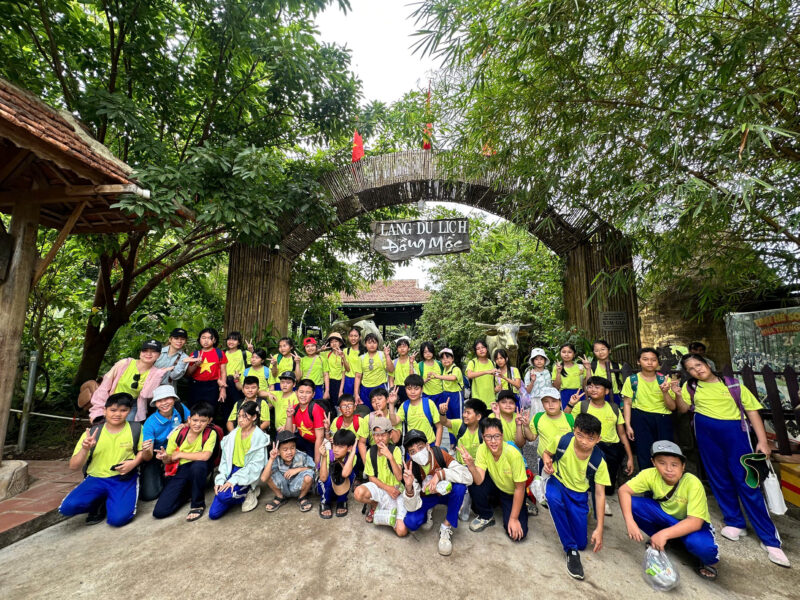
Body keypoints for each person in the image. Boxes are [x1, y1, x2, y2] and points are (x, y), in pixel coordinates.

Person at [675, 354, 790, 568]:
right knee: (719, 480)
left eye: (699, 364)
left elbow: (752, 413)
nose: (696, 370)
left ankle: (770, 540)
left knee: (747, 482)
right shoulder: (691, 388)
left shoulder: (733, 385)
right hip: (707, 437)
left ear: (708, 364)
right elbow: (682, 409)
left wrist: (762, 441)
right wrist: (676, 394)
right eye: (690, 368)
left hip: (736, 436)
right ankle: (735, 521)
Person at [618, 441, 720, 580]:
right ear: (653, 462)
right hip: (665, 516)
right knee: (632, 505)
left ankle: (710, 562)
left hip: (692, 524)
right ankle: (669, 539)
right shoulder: (650, 474)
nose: (668, 469)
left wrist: (664, 534)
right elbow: (623, 491)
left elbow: (695, 522)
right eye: (662, 463)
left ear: (683, 466)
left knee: (702, 547)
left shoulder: (693, 483)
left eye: (674, 464)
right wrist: (630, 522)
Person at [60, 393, 149, 527]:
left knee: (118, 520)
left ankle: (110, 501)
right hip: (96, 478)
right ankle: (99, 501)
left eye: (123, 410)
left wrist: (134, 463)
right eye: (113, 410)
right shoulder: (92, 433)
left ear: (129, 411)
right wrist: (85, 449)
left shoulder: (136, 429)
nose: (117, 414)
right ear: (104, 410)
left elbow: (142, 450)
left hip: (123, 479)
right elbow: (73, 466)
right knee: (67, 508)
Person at [542, 413, 609, 580]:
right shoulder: (562, 441)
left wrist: (599, 528)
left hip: (579, 494)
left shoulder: (599, 461)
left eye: (590, 438)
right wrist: (547, 462)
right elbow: (546, 453)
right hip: (557, 482)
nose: (584, 441)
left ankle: (579, 519)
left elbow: (600, 494)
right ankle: (570, 550)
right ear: (574, 431)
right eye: (580, 435)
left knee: (582, 544)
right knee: (554, 500)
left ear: (598, 439)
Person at [565, 376, 634, 515]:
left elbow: (621, 433)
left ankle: (600, 498)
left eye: (597, 387)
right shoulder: (582, 406)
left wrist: (630, 457)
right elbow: (565, 419)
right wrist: (571, 404)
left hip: (613, 448)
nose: (593, 389)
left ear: (606, 391)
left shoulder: (614, 408)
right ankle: (594, 502)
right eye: (590, 386)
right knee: (590, 478)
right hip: (592, 446)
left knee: (608, 486)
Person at [401, 429, 473, 556]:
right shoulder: (411, 468)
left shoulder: (440, 454)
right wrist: (409, 487)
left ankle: (446, 526)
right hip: (427, 498)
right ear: (410, 455)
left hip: (445, 493)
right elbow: (411, 506)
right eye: (412, 452)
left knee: (460, 488)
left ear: (428, 446)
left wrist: (441, 474)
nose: (418, 453)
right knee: (411, 522)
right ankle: (428, 511)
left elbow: (468, 477)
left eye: (420, 448)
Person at [460, 418, 528, 541]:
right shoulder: (482, 449)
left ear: (502, 436)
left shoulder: (513, 454)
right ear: (483, 437)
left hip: (512, 492)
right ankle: (486, 515)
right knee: (472, 479)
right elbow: (479, 481)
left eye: (497, 436)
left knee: (517, 535)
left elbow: (520, 488)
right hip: (496, 485)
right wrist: (471, 465)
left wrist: (513, 519)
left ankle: (523, 504)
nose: (493, 441)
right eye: (488, 437)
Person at [152, 402, 218, 521]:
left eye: (203, 421)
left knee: (198, 466)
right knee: (160, 511)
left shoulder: (210, 433)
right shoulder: (178, 434)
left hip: (201, 467)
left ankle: (197, 504)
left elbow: (205, 456)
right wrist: (165, 457)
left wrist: (180, 454)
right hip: (182, 469)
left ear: (209, 421)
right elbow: (170, 460)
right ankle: (188, 492)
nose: (198, 424)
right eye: (195, 420)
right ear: (189, 419)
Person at [209, 400, 269, 519]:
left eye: (244, 416)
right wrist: (221, 480)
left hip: (246, 473)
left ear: (254, 417)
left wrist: (234, 480)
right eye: (239, 416)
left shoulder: (259, 437)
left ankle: (248, 491)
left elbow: (255, 467)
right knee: (214, 514)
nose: (240, 420)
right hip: (231, 470)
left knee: (223, 496)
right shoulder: (232, 435)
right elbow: (225, 461)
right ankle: (236, 493)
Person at [621, 348, 677, 471]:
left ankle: (666, 478)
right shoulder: (632, 380)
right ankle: (647, 480)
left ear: (658, 362)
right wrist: (628, 425)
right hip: (640, 418)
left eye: (653, 360)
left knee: (665, 451)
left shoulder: (665, 380)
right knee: (644, 452)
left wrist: (665, 392)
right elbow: (627, 403)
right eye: (645, 359)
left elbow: (672, 407)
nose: (650, 362)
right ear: (638, 362)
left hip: (663, 418)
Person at [88, 339, 170, 423]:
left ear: (159, 355)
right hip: (111, 401)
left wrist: (158, 375)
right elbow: (104, 387)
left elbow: (146, 394)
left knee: (125, 429)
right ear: (140, 353)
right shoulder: (124, 363)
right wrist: (97, 411)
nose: (148, 354)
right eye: (145, 350)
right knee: (105, 427)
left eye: (153, 351)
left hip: (131, 406)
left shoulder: (155, 373)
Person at [353, 417, 407, 535]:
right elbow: (371, 477)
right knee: (358, 492)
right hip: (382, 489)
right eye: (376, 435)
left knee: (401, 531)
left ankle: (387, 511)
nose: (380, 438)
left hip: (396, 492)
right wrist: (387, 488)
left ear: (390, 435)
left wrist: (390, 457)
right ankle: (375, 505)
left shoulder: (395, 451)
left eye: (383, 434)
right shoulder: (371, 452)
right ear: (373, 436)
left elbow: (399, 477)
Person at [140, 385, 190, 501]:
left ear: (174, 399)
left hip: (178, 451)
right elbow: (147, 457)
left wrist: (185, 425)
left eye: (167, 398)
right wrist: (146, 450)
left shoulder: (180, 408)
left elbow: (193, 421)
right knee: (150, 495)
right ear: (155, 404)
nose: (164, 403)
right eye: (159, 400)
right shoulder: (150, 423)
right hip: (157, 456)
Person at [518, 386, 574, 474]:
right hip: (545, 461)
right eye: (546, 401)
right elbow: (531, 437)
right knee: (544, 481)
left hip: (566, 460)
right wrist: (526, 426)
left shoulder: (569, 418)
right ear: (542, 404)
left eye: (554, 401)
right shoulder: (538, 417)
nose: (550, 405)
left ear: (560, 402)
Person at [262, 430, 316, 513]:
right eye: (285, 449)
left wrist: (298, 469)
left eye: (292, 448)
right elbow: (263, 478)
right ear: (278, 451)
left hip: (297, 487)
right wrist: (271, 459)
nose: (289, 452)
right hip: (283, 488)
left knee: (309, 476)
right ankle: (280, 497)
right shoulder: (275, 459)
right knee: (268, 472)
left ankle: (302, 497)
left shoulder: (302, 456)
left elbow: (314, 468)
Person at [184, 328, 227, 418]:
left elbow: (223, 372)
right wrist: (196, 364)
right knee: (193, 410)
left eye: (209, 338)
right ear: (199, 339)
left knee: (211, 411)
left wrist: (223, 389)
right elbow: (188, 374)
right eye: (203, 337)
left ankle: (210, 427)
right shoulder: (195, 354)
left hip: (213, 386)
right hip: (195, 386)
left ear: (214, 340)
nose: (206, 341)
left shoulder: (219, 353)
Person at [389, 374, 442, 446]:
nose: (412, 392)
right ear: (405, 390)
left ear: (422, 389)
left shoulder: (429, 403)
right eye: (409, 389)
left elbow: (439, 426)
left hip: (429, 445)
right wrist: (391, 404)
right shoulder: (404, 405)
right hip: (412, 447)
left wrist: (437, 446)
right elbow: (394, 422)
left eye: (416, 389)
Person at [317, 429, 359, 518]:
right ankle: (325, 502)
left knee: (351, 474)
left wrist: (352, 452)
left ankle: (341, 500)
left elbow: (345, 474)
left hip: (340, 488)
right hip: (326, 487)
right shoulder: (328, 454)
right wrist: (323, 457)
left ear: (349, 448)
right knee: (329, 477)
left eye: (340, 447)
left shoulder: (352, 456)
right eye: (335, 445)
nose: (335, 449)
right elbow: (323, 478)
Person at [330, 394, 369, 479]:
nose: (347, 408)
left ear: (355, 407)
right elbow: (333, 441)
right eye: (344, 406)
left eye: (350, 405)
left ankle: (355, 475)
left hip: (356, 447)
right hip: (341, 447)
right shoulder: (336, 421)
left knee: (355, 455)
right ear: (339, 409)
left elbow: (362, 444)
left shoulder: (361, 422)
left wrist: (367, 467)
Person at [287, 378, 325, 463]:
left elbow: (320, 438)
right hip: (303, 439)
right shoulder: (295, 408)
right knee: (281, 437)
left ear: (313, 394)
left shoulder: (316, 409)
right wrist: (289, 417)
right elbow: (289, 433)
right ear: (296, 393)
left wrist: (317, 462)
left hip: (315, 443)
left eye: (308, 392)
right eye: (301, 392)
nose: (304, 395)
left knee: (311, 464)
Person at [355, 333, 394, 410]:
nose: (372, 345)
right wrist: (356, 394)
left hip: (380, 388)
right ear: (365, 344)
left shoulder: (382, 355)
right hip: (365, 389)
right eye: (369, 343)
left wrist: (387, 355)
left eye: (374, 342)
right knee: (366, 411)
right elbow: (358, 377)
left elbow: (391, 370)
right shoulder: (361, 358)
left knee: (381, 411)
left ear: (377, 344)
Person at [582, 340, 624, 406]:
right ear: (594, 353)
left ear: (609, 350)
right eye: (596, 350)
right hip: (597, 397)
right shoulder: (592, 366)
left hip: (615, 397)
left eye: (603, 349)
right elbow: (588, 384)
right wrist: (588, 369)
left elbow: (624, 383)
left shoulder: (617, 366)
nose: (600, 352)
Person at [437, 349, 464, 439]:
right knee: (449, 419)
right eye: (443, 358)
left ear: (452, 359)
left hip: (456, 395)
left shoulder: (455, 369)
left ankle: (460, 439)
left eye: (448, 357)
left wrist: (437, 376)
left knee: (458, 418)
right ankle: (452, 442)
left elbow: (453, 378)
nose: (445, 360)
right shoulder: (444, 369)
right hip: (446, 394)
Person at [224, 331, 252, 410]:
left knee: (239, 407)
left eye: (234, 339)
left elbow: (256, 362)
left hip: (239, 384)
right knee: (226, 407)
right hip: (226, 384)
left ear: (239, 342)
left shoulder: (244, 353)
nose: (231, 342)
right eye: (229, 339)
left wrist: (251, 351)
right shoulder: (223, 354)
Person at [552, 343, 585, 409]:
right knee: (567, 413)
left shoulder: (580, 367)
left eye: (569, 352)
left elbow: (586, 385)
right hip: (564, 394)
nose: (566, 354)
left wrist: (588, 369)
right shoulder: (557, 367)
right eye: (564, 352)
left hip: (578, 393)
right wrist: (558, 372)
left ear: (574, 354)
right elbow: (556, 387)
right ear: (560, 353)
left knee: (580, 413)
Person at [465, 339, 495, 410]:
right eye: (478, 348)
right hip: (477, 401)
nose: (481, 350)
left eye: (483, 347)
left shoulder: (492, 363)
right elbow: (469, 375)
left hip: (491, 401)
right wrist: (487, 372)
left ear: (486, 349)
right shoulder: (472, 362)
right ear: (475, 351)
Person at [322, 332, 349, 409]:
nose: (334, 343)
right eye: (331, 342)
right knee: (328, 404)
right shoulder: (327, 354)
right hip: (328, 382)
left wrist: (341, 391)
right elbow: (314, 353)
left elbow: (346, 371)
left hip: (339, 383)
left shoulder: (344, 354)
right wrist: (321, 349)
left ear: (340, 343)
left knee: (338, 404)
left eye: (336, 341)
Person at [300, 336, 329, 401]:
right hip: (305, 387)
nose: (310, 348)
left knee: (317, 405)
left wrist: (327, 391)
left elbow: (326, 375)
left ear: (316, 347)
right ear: (304, 348)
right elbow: (299, 377)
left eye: (312, 346)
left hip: (318, 388)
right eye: (307, 346)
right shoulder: (302, 360)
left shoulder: (322, 359)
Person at [389, 336, 416, 404]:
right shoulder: (394, 362)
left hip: (409, 388)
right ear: (397, 349)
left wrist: (411, 363)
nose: (402, 349)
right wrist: (392, 390)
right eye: (399, 347)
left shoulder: (413, 362)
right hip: (397, 389)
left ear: (408, 348)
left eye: (404, 346)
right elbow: (391, 379)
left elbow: (412, 378)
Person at [524, 348, 552, 412]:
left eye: (541, 359)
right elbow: (527, 391)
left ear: (545, 360)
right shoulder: (529, 373)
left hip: (547, 400)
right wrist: (532, 381)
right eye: (536, 359)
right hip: (534, 402)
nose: (539, 361)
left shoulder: (548, 372)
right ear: (533, 361)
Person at [418, 341, 444, 406]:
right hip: (426, 395)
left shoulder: (439, 364)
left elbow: (444, 378)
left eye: (429, 351)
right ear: (422, 353)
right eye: (425, 352)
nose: (428, 354)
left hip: (440, 394)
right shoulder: (420, 366)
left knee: (440, 412)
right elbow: (417, 383)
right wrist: (426, 380)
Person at [342, 327, 363, 398]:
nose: (353, 338)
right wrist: (343, 358)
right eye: (351, 336)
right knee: (348, 400)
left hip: (361, 380)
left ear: (360, 337)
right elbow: (347, 369)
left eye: (355, 336)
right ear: (348, 337)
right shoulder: (346, 351)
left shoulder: (364, 351)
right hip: (348, 380)